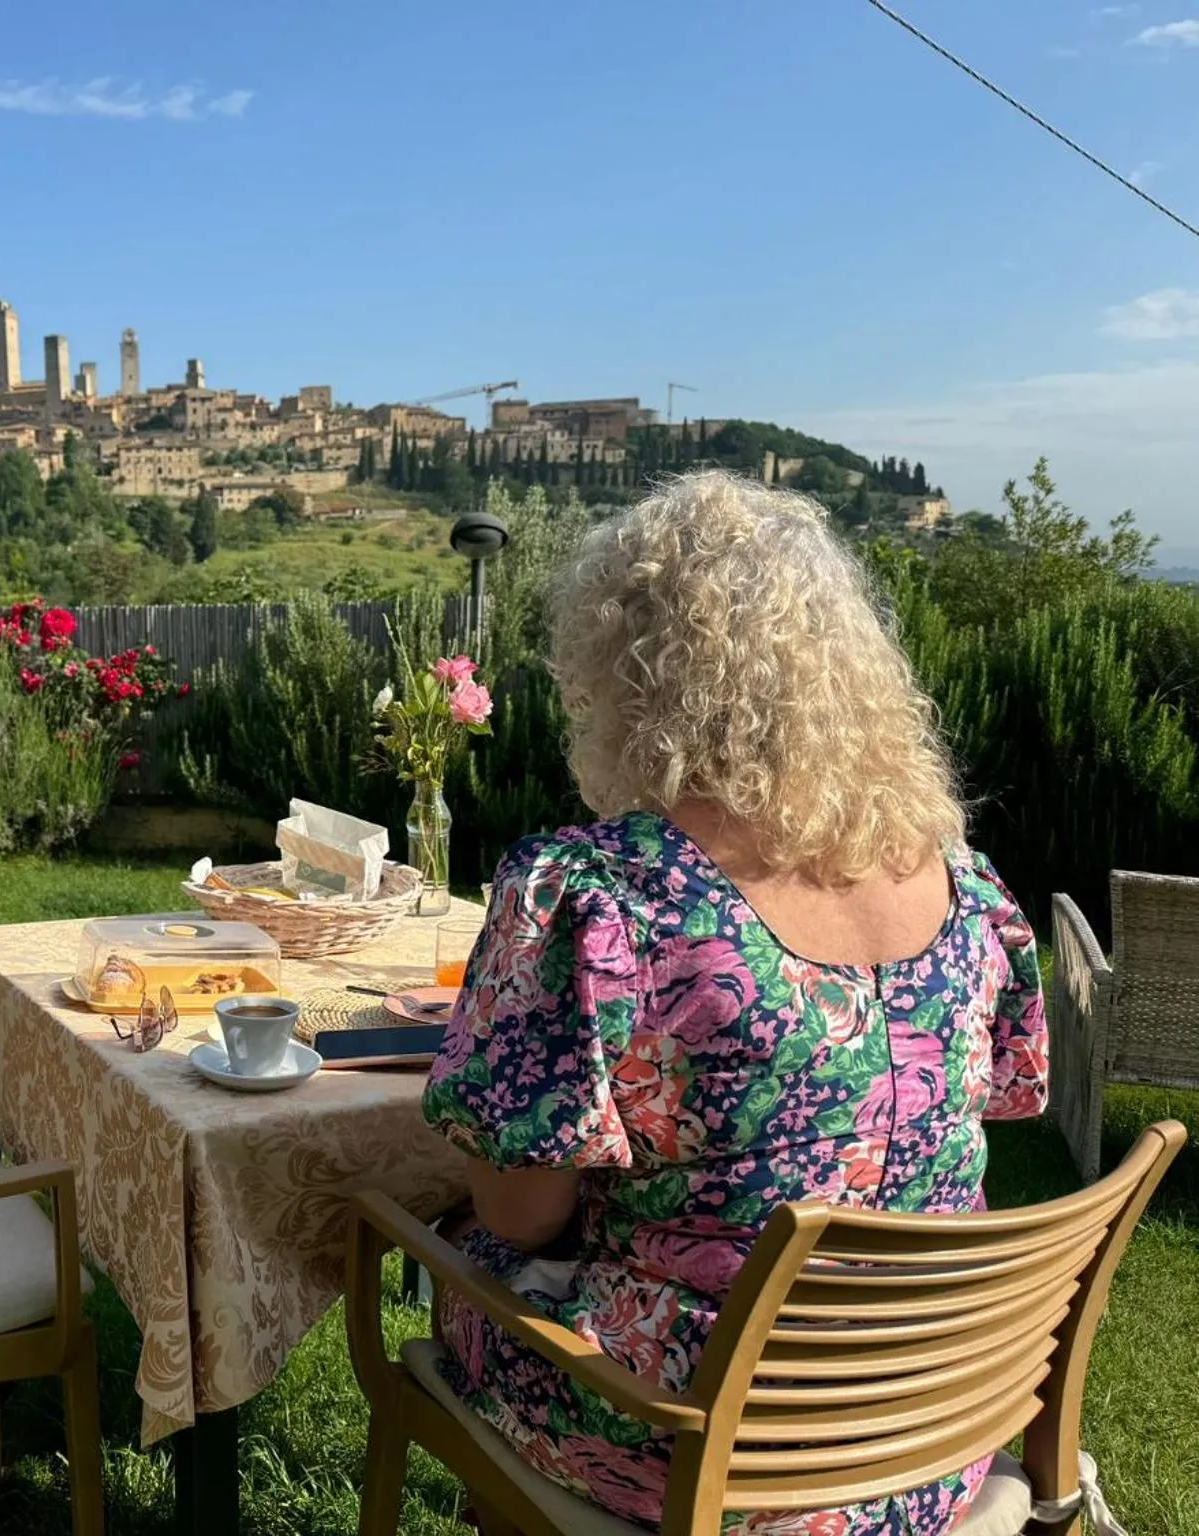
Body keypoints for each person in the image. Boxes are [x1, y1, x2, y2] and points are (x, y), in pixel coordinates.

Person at [422, 470, 1050, 1533]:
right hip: (931, 1427)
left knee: (452, 1252)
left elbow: (522, 1215)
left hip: (702, 1451)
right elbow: (996, 1104)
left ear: (620, 670)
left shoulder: (602, 897)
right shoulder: (966, 887)